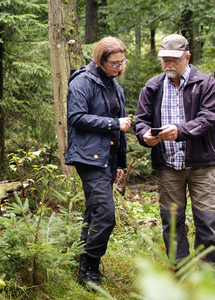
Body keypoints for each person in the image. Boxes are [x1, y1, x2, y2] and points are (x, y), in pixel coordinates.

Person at [133, 34, 215, 275]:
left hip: (202, 164)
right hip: (168, 165)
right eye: (165, 60)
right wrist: (145, 136)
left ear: (187, 57)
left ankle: (210, 275)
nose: (169, 65)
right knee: (172, 222)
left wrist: (180, 131)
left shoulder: (205, 83)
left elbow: (210, 117)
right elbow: (140, 121)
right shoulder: (152, 86)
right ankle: (181, 271)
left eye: (174, 60)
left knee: (207, 220)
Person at [64, 36, 131, 287]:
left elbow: (120, 133)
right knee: (105, 214)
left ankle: (81, 261)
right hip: (89, 159)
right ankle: (90, 268)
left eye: (122, 62)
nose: (119, 67)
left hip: (109, 159)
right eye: (114, 63)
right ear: (101, 60)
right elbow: (76, 117)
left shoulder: (116, 87)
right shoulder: (82, 81)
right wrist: (113, 123)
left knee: (94, 212)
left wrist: (121, 164)